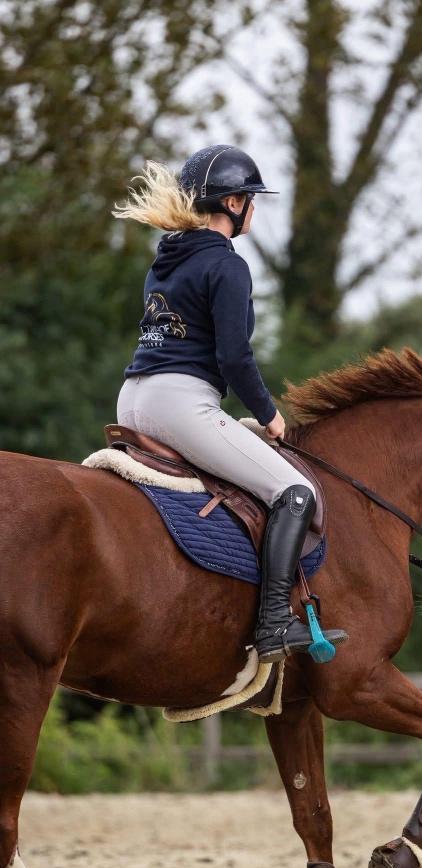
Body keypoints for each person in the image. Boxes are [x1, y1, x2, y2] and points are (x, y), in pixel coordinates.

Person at [112, 144, 347, 662]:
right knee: (294, 489)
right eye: (251, 199)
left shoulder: (167, 258)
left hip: (133, 398)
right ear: (234, 203)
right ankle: (272, 626)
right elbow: (235, 358)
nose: (254, 209)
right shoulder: (227, 265)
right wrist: (271, 415)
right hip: (179, 403)